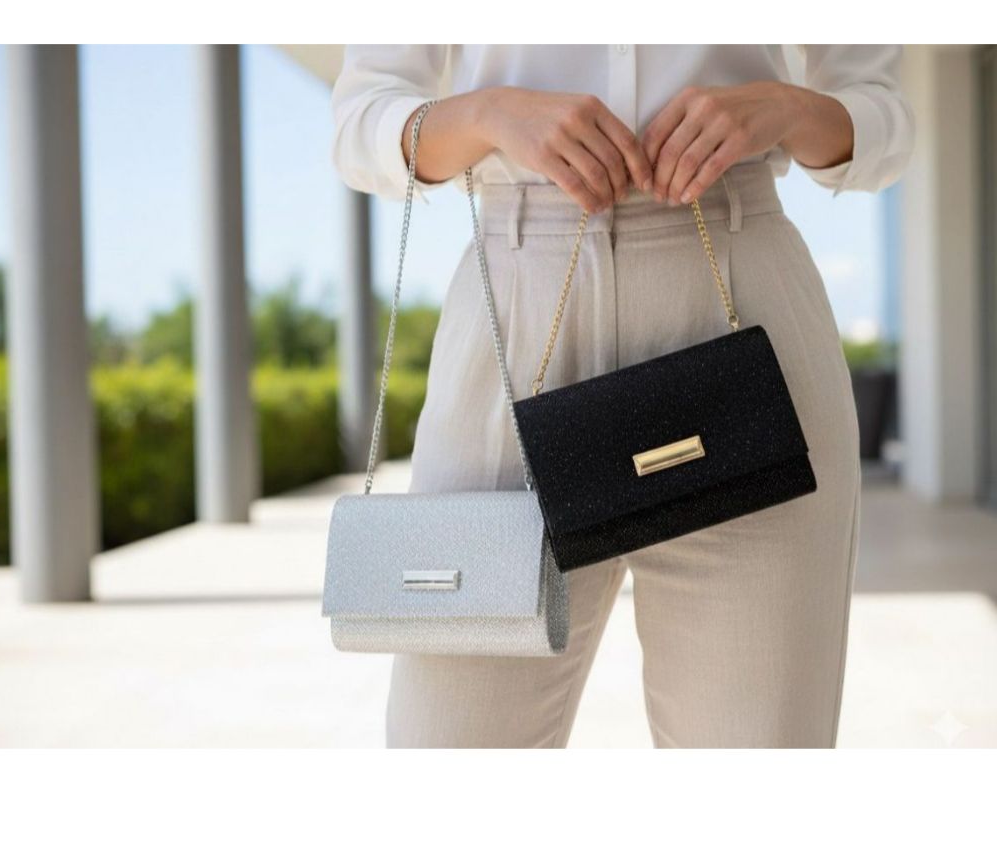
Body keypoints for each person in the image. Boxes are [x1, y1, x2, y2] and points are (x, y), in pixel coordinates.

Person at [330, 45, 915, 748]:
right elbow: (361, 124)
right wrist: (488, 115)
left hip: (739, 325)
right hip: (514, 313)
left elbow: (883, 119)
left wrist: (785, 108)